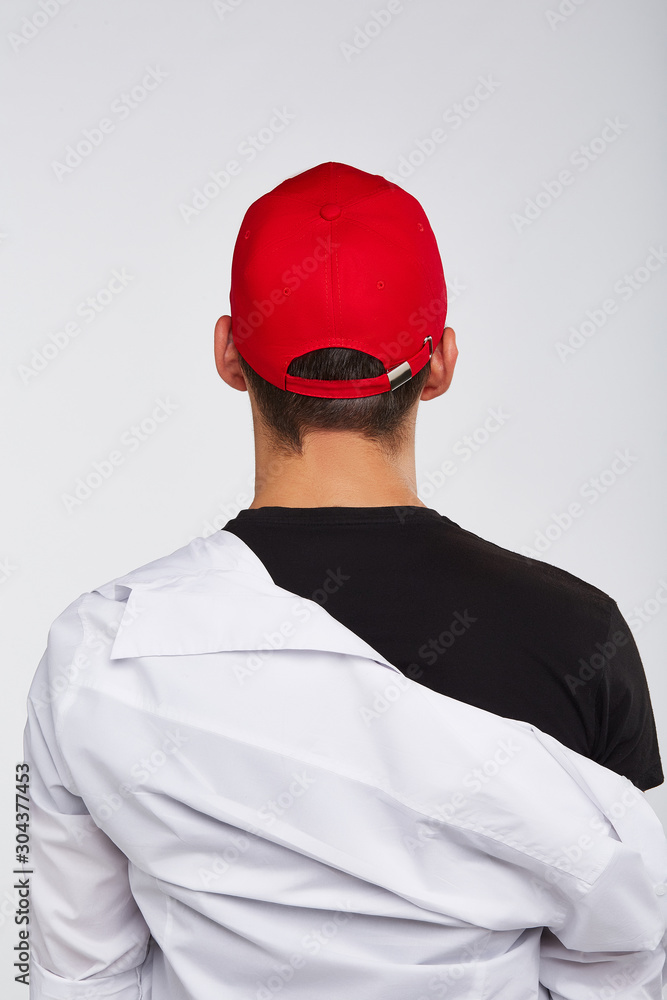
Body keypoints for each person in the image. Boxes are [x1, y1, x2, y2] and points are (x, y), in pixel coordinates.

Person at [23, 161, 667, 999]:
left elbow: (72, 980)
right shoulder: (581, 635)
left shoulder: (102, 649)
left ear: (227, 353)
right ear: (437, 363)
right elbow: (633, 953)